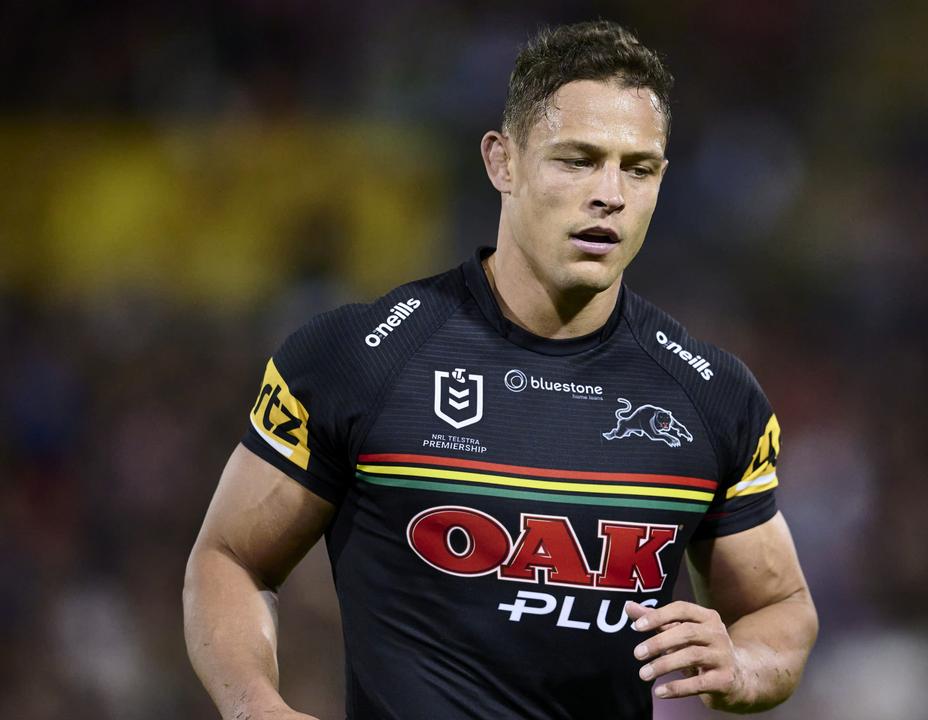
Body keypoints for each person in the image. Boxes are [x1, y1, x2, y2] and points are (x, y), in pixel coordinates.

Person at [183, 19, 817, 720]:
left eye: (637, 168)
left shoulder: (712, 397)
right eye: (577, 159)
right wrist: (255, 708)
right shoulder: (358, 361)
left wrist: (746, 660)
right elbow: (230, 558)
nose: (610, 192)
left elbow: (780, 606)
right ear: (501, 161)